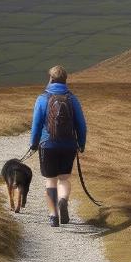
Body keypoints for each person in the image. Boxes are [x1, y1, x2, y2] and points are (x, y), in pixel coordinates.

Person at [29, 65, 87, 227]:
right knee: (64, 179)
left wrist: (34, 144)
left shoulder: (42, 98)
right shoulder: (72, 99)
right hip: (68, 145)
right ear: (65, 80)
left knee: (50, 180)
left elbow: (36, 124)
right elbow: (81, 125)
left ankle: (53, 215)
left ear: (51, 79)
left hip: (48, 145)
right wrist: (81, 143)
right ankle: (63, 200)